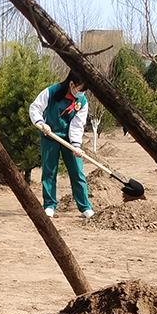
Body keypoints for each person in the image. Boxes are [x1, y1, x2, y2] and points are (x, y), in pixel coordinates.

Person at [28, 72, 94, 218]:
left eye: (84, 91)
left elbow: (77, 125)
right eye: (80, 89)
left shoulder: (82, 101)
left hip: (69, 140)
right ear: (71, 84)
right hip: (49, 136)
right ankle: (49, 205)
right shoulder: (51, 92)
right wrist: (41, 124)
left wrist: (76, 145)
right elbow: (35, 108)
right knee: (49, 172)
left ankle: (85, 207)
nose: (82, 93)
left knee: (77, 172)